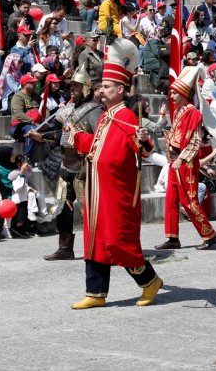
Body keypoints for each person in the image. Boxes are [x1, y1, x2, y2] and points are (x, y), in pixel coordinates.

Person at [69, 40, 163, 310]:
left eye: (106, 87)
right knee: (95, 239)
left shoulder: (128, 117)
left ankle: (149, 280)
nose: (100, 90)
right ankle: (96, 293)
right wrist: (76, 135)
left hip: (115, 191)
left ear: (120, 89)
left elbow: (141, 146)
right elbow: (96, 147)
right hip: (97, 189)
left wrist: (143, 138)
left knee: (116, 240)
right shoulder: (105, 117)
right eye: (100, 87)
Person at [155, 67, 216, 251]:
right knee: (170, 201)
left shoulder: (193, 112)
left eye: (175, 92)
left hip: (185, 163)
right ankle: (172, 237)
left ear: (184, 93)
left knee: (189, 201)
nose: (172, 95)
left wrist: (182, 159)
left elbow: (194, 141)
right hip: (173, 163)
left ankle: (210, 234)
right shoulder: (178, 111)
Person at [43, 65, 103, 261]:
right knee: (62, 206)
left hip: (83, 167)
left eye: (76, 86)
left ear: (86, 88)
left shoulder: (94, 110)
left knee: (87, 208)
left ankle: (100, 246)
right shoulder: (69, 110)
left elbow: (98, 138)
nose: (72, 89)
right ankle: (65, 248)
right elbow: (62, 136)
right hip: (65, 164)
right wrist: (41, 137)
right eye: (71, 86)